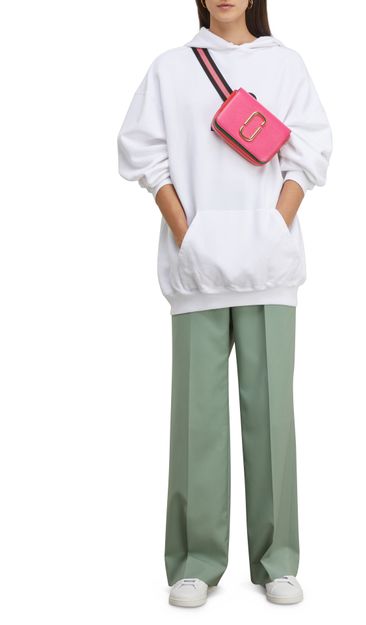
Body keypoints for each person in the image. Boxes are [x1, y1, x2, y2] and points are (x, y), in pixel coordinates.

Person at [117, 0, 333, 608]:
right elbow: (142, 153)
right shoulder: (171, 67)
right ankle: (195, 561)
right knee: (198, 421)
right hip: (196, 269)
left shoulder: (286, 65)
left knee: (272, 416)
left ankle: (277, 560)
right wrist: (185, 232)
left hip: (270, 269)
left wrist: (274, 227)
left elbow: (311, 152)